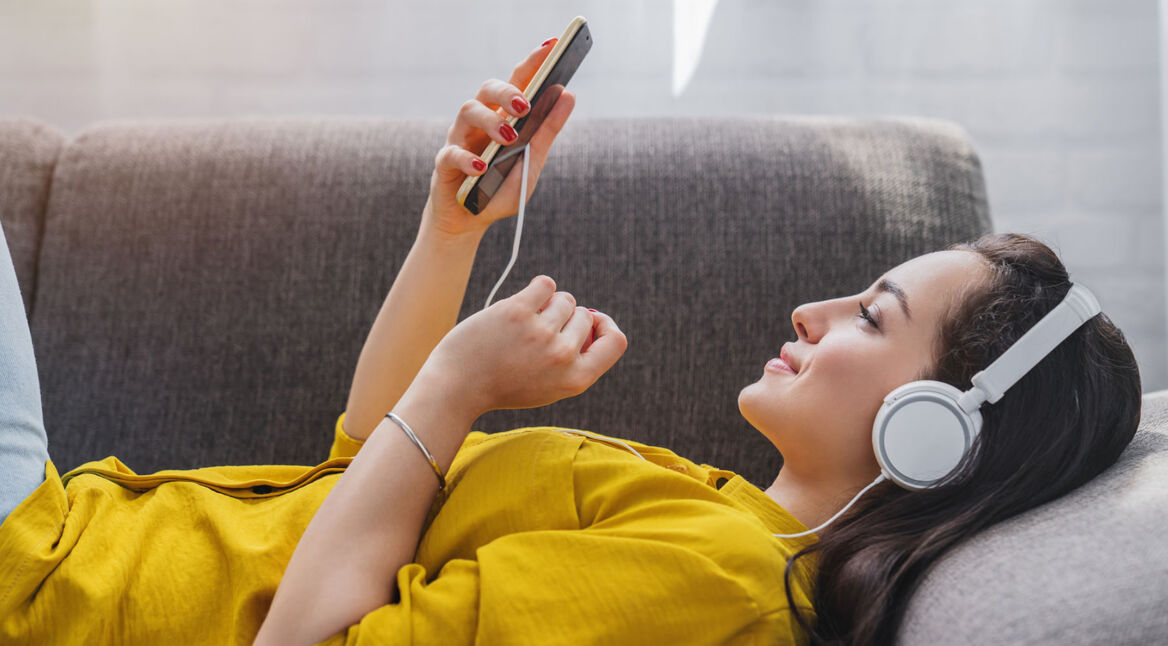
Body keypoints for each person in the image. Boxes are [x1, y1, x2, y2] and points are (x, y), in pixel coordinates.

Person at [0, 40, 1142, 646]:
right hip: (54, 535)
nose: (815, 311)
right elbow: (368, 471)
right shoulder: (713, 514)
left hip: (51, 593)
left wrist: (457, 388)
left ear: (929, 434)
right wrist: (451, 233)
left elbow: (312, 633)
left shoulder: (724, 584)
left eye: (872, 316)